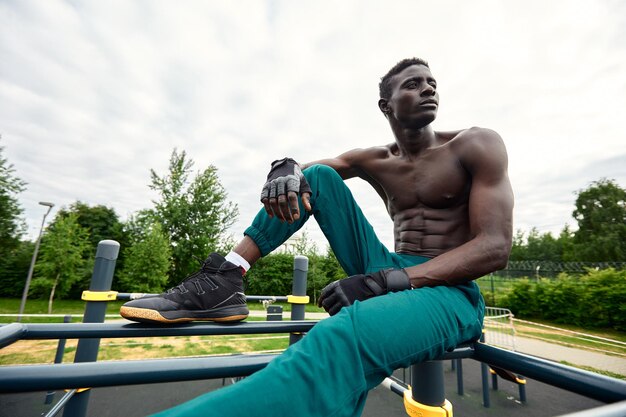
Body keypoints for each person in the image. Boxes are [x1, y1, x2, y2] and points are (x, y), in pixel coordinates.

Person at [121, 57, 514, 417]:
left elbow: (494, 247)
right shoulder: (376, 159)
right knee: (317, 178)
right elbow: (305, 173)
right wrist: (283, 167)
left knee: (339, 338)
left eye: (432, 82)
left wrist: (387, 282)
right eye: (413, 84)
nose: (428, 89)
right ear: (386, 105)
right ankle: (227, 276)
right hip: (388, 268)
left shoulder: (475, 143)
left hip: (449, 289)